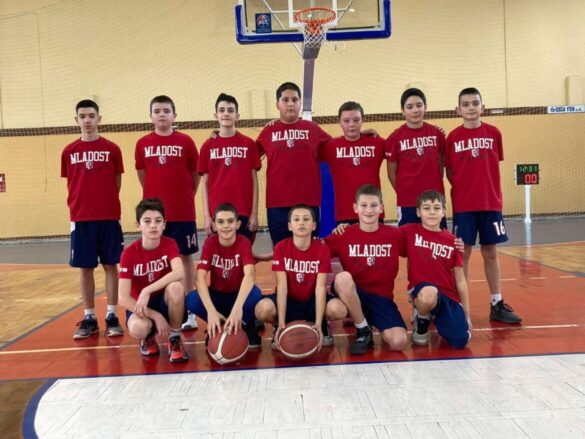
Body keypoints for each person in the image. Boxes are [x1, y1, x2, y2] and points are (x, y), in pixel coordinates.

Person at [445, 87, 521, 324]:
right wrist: (465, 189)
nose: (471, 108)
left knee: (491, 252)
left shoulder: (494, 133)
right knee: (463, 253)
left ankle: (497, 303)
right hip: (464, 205)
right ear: (458, 110)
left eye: (475, 103)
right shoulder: (452, 138)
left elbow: (493, 165)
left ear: (482, 107)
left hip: (490, 203)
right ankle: (460, 305)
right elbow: (450, 171)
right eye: (466, 104)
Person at [135, 95, 200, 330]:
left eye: (166, 111)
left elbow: (195, 174)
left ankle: (189, 309)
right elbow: (142, 174)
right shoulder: (142, 143)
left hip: (182, 211)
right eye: (157, 111)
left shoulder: (186, 141)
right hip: (156, 215)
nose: (162, 115)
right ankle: (165, 304)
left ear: (174, 115)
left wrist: (186, 195)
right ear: (150, 116)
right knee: (158, 259)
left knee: (185, 257)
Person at [61, 99, 124, 339]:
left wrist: (105, 203)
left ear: (99, 119)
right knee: (85, 268)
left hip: (109, 216)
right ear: (76, 120)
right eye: (82, 116)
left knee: (110, 265)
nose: (87, 120)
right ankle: (89, 318)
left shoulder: (112, 149)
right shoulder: (68, 151)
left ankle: (112, 315)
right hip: (81, 218)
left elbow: (116, 181)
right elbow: (71, 182)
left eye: (91, 116)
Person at [323, 185, 408, 354]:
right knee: (343, 278)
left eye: (374, 205)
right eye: (363, 205)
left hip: (382, 299)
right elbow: (313, 250)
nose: (369, 210)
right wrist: (278, 253)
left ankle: (370, 320)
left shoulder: (395, 235)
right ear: (355, 208)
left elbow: (420, 244)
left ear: (382, 208)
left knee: (398, 342)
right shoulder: (344, 234)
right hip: (353, 294)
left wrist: (453, 243)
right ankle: (363, 330)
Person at [256, 82, 332, 245]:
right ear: (277, 104)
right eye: (285, 100)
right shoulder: (268, 131)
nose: (290, 103)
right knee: (281, 251)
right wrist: (221, 138)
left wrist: (359, 135)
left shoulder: (313, 129)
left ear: (300, 103)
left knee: (309, 251)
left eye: (295, 100)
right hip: (277, 204)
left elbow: (339, 147)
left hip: (308, 203)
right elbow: (248, 155)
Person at [118, 198, 190, 363]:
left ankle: (174, 337)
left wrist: (147, 290)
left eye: (158, 221)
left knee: (176, 288)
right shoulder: (129, 254)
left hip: (164, 302)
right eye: (147, 221)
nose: (153, 225)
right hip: (142, 306)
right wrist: (155, 316)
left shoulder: (169, 244)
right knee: (138, 328)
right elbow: (123, 298)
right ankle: (148, 337)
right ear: (138, 225)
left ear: (164, 224)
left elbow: (179, 272)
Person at [254, 204, 332, 349]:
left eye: (306, 219)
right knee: (262, 309)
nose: (301, 223)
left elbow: (320, 287)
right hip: (290, 301)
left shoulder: (322, 249)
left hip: (311, 301)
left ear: (314, 226)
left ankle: (320, 324)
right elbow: (282, 287)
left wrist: (318, 320)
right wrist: (281, 322)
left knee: (338, 309)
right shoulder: (280, 248)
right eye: (296, 219)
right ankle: (279, 325)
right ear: (290, 226)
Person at [401, 190, 471, 348]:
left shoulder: (453, 242)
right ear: (418, 212)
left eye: (437, 208)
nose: (432, 212)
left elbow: (460, 280)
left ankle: (439, 316)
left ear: (444, 212)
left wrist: (466, 315)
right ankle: (422, 317)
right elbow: (382, 234)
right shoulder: (409, 231)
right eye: (426, 208)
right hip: (423, 290)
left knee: (460, 341)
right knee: (429, 293)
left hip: (447, 295)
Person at [188, 203, 263, 347]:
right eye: (221, 222)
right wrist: (211, 312)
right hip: (217, 297)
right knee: (192, 299)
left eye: (230, 221)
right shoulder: (210, 244)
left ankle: (245, 323)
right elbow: (199, 278)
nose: (226, 226)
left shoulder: (244, 243)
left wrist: (237, 308)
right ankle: (218, 324)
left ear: (238, 224)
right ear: (214, 226)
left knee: (256, 294)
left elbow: (249, 275)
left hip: (238, 296)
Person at [198, 93, 261, 243]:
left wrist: (254, 213)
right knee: (219, 254)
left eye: (230, 110)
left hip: (243, 211)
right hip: (217, 212)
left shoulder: (248, 144)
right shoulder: (207, 146)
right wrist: (207, 216)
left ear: (237, 116)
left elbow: (254, 180)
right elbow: (204, 183)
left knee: (244, 254)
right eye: (222, 110)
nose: (226, 113)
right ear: (216, 115)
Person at [386, 88, 447, 228]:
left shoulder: (437, 133)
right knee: (408, 240)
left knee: (438, 239)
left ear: (425, 107)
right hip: (407, 202)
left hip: (434, 199)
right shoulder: (395, 137)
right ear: (402, 110)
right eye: (410, 107)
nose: (415, 110)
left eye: (419, 105)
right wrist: (404, 191)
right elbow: (391, 174)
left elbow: (441, 164)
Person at [319, 101, 386, 224]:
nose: (351, 125)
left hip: (373, 211)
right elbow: (305, 153)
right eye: (346, 121)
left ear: (362, 120)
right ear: (339, 122)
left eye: (356, 120)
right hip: (344, 215)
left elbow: (400, 154)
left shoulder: (377, 143)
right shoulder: (330, 146)